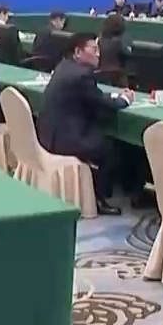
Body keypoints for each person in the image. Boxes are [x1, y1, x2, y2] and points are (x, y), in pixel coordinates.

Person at [36, 33, 132, 214]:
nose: (98, 54)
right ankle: (99, 199)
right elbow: (103, 104)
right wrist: (125, 100)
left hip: (50, 133)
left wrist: (111, 96)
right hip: (66, 138)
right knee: (111, 149)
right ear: (78, 52)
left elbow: (91, 95)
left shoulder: (64, 66)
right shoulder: (82, 75)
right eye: (94, 50)